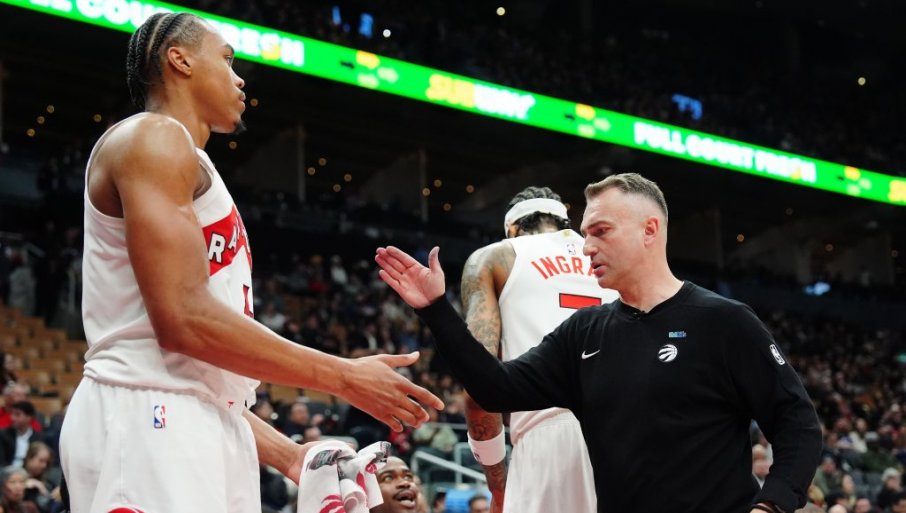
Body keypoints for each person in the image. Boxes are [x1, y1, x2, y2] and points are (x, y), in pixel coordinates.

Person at [60, 12, 443, 513]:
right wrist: (343, 376)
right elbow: (183, 320)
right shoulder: (153, 137)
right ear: (180, 60)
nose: (239, 78)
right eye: (226, 59)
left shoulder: (194, 164)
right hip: (145, 414)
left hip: (203, 417)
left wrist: (290, 455)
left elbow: (199, 376)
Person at [376, 172, 823, 513]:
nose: (586, 246)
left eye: (601, 231)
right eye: (585, 232)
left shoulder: (724, 321)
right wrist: (436, 309)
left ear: (650, 230)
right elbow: (494, 388)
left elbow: (797, 424)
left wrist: (771, 506)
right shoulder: (584, 332)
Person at [458, 186, 616, 513]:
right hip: (632, 432)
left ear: (513, 229)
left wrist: (498, 486)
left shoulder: (495, 257)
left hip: (549, 432)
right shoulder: (614, 259)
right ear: (565, 223)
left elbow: (478, 387)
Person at [0, 402, 45, 468]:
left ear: (29, 417)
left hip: (30, 470)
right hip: (7, 470)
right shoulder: (3, 435)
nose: (12, 418)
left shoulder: (39, 437)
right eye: (12, 414)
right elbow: (1, 461)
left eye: (17, 415)